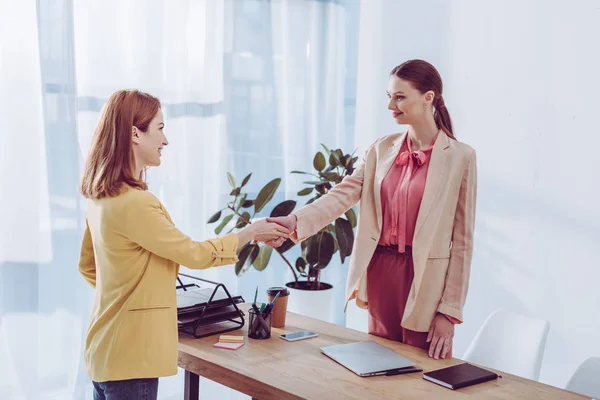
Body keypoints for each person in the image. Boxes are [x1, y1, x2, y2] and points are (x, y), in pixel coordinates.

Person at [78, 89, 289, 400]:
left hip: (104, 351)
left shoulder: (101, 197)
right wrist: (251, 233)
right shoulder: (135, 203)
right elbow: (195, 254)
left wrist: (127, 300)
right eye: (160, 128)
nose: (165, 141)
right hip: (132, 361)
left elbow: (87, 266)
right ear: (136, 133)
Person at [267, 59, 477, 360]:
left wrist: (449, 311)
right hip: (380, 271)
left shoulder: (460, 157)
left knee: (423, 371)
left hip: (426, 279)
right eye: (389, 96)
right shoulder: (381, 149)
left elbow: (463, 244)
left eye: (400, 96)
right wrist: (293, 220)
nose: (391, 104)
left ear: (428, 98)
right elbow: (342, 195)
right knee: (380, 363)